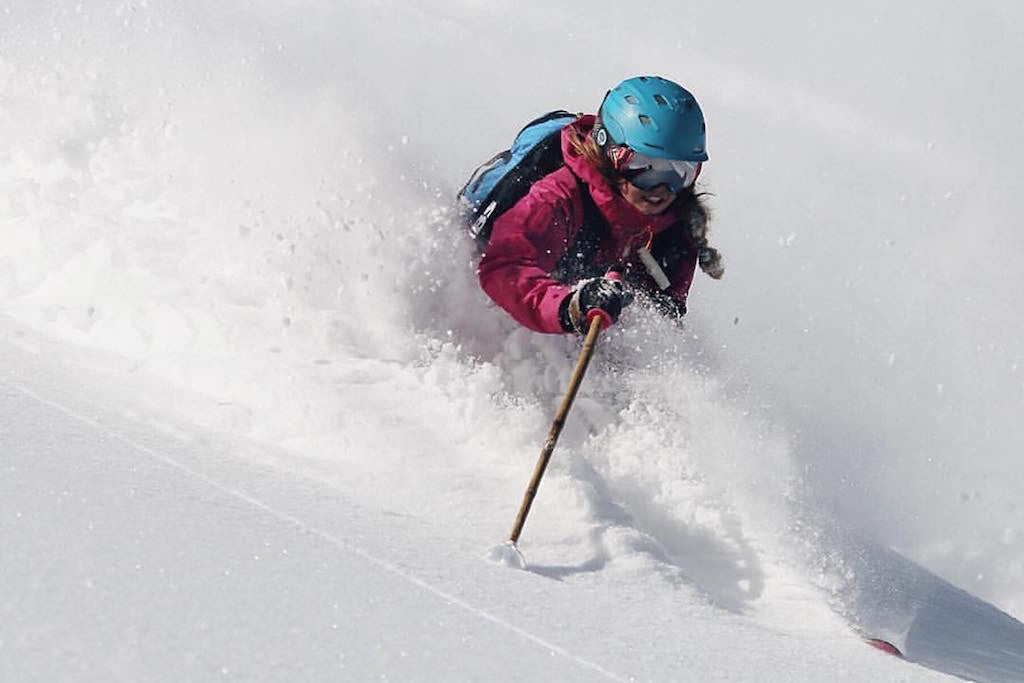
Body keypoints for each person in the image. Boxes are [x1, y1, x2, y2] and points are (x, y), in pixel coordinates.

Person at [476, 76, 723, 335]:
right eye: (645, 166)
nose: (662, 188)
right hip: (501, 298)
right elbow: (504, 267)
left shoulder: (675, 231)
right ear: (611, 154)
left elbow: (662, 325)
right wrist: (572, 306)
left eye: (679, 171)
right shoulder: (558, 197)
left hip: (564, 309)